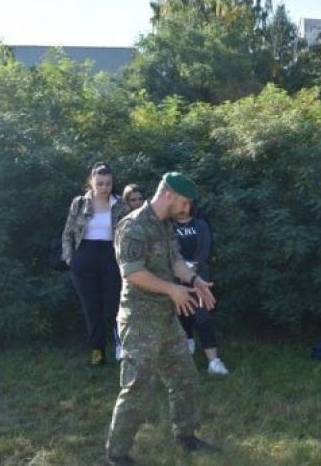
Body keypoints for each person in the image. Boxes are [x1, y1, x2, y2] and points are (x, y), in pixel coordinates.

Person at [105, 172, 219, 466]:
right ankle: (116, 454)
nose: (187, 208)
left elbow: (175, 260)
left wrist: (193, 280)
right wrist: (172, 289)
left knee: (184, 378)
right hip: (139, 320)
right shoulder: (133, 226)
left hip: (166, 318)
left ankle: (186, 435)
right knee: (137, 387)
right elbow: (132, 272)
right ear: (168, 195)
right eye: (184, 202)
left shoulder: (166, 225)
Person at [61, 162, 130, 366]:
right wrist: (69, 258)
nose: (104, 187)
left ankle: (122, 346)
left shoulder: (120, 205)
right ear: (91, 182)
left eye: (108, 183)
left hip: (111, 257)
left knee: (114, 306)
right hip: (84, 257)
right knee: (92, 309)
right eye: (99, 183)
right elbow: (67, 233)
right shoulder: (79, 203)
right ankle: (97, 351)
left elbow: (130, 235)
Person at [173, 201, 228, 375]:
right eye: (178, 204)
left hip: (200, 277)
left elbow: (205, 249)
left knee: (202, 315)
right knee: (179, 314)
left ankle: (214, 362)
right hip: (173, 278)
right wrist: (179, 269)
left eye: (185, 204)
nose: (182, 207)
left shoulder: (200, 224)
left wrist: (191, 269)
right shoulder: (166, 226)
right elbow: (167, 252)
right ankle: (183, 354)